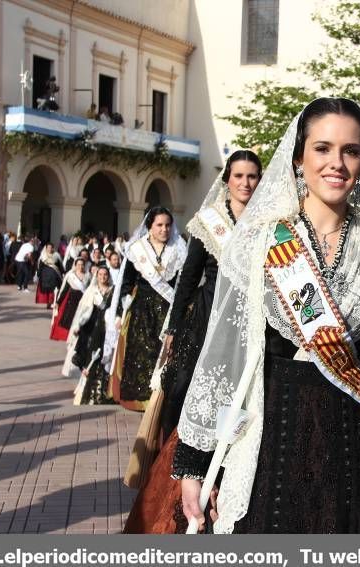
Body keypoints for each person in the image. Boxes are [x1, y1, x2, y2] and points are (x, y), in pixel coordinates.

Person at [170, 98, 360, 535]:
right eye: (322, 148)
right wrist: (197, 462)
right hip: (272, 437)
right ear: (298, 157)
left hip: (358, 437)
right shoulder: (260, 242)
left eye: (351, 151)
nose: (337, 163)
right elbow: (227, 359)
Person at [123, 150, 263, 528]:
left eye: (252, 176)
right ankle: (182, 464)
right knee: (186, 386)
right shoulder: (209, 221)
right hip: (207, 315)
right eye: (239, 176)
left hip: (249, 316)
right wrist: (172, 328)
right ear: (227, 180)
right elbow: (189, 277)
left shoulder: (266, 222)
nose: (246, 183)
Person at [109, 207, 187, 411]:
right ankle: (140, 399)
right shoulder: (137, 249)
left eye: (168, 225)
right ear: (150, 226)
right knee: (142, 352)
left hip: (168, 310)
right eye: (159, 225)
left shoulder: (179, 248)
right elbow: (126, 283)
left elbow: (184, 282)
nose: (164, 229)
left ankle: (160, 398)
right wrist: (120, 313)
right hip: (142, 310)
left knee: (165, 355)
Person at [68, 267, 116, 404]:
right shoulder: (91, 291)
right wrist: (78, 326)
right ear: (97, 276)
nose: (103, 277)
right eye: (100, 274)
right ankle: (88, 390)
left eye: (105, 274)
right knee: (90, 357)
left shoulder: (113, 291)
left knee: (105, 358)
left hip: (107, 329)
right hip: (91, 328)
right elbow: (82, 311)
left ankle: (104, 391)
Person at [50, 258, 90, 342]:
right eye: (78, 265)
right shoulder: (71, 276)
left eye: (82, 264)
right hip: (72, 299)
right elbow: (64, 290)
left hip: (83, 299)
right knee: (70, 317)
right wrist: (58, 302)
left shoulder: (88, 276)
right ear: (75, 266)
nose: (80, 266)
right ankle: (69, 335)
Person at [35, 243, 63, 307]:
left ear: (53, 248)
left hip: (54, 275)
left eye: (51, 247)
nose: (50, 249)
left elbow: (60, 266)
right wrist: (38, 274)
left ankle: (52, 302)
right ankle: (48, 303)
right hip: (45, 275)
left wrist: (62, 272)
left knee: (53, 289)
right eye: (48, 247)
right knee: (47, 289)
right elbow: (40, 266)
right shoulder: (43, 256)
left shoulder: (56, 256)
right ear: (46, 248)